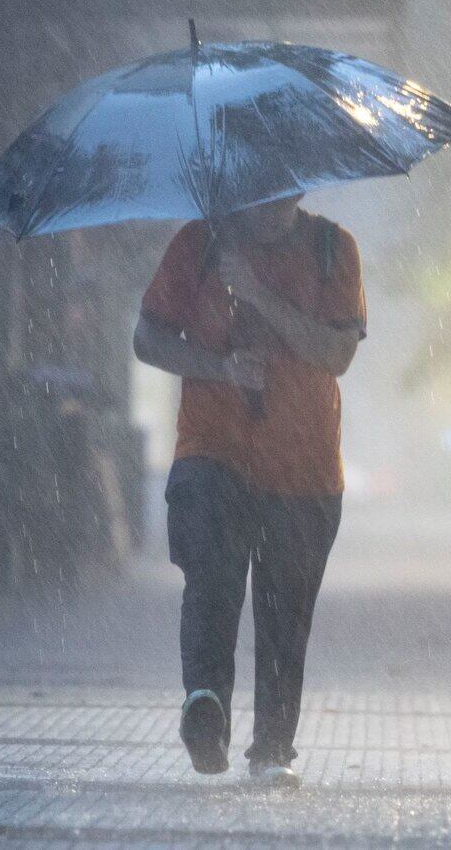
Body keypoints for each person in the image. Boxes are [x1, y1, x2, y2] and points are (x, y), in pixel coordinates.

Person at [133, 194, 366, 789]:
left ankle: (272, 748)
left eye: (281, 184)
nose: (269, 197)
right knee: (210, 576)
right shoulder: (200, 243)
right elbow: (149, 340)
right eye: (256, 183)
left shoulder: (331, 248)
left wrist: (259, 292)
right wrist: (221, 367)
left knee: (285, 611)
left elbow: (336, 354)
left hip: (304, 467)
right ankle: (205, 705)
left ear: (301, 188)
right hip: (212, 451)